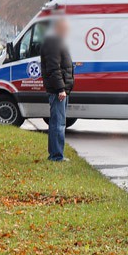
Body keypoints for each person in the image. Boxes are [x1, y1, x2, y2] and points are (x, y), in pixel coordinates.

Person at [40, 17, 74, 162]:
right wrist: (61, 88)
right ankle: (56, 156)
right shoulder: (53, 43)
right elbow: (54, 68)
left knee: (57, 122)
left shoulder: (56, 41)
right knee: (58, 124)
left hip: (60, 89)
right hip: (57, 91)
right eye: (65, 27)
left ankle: (55, 154)